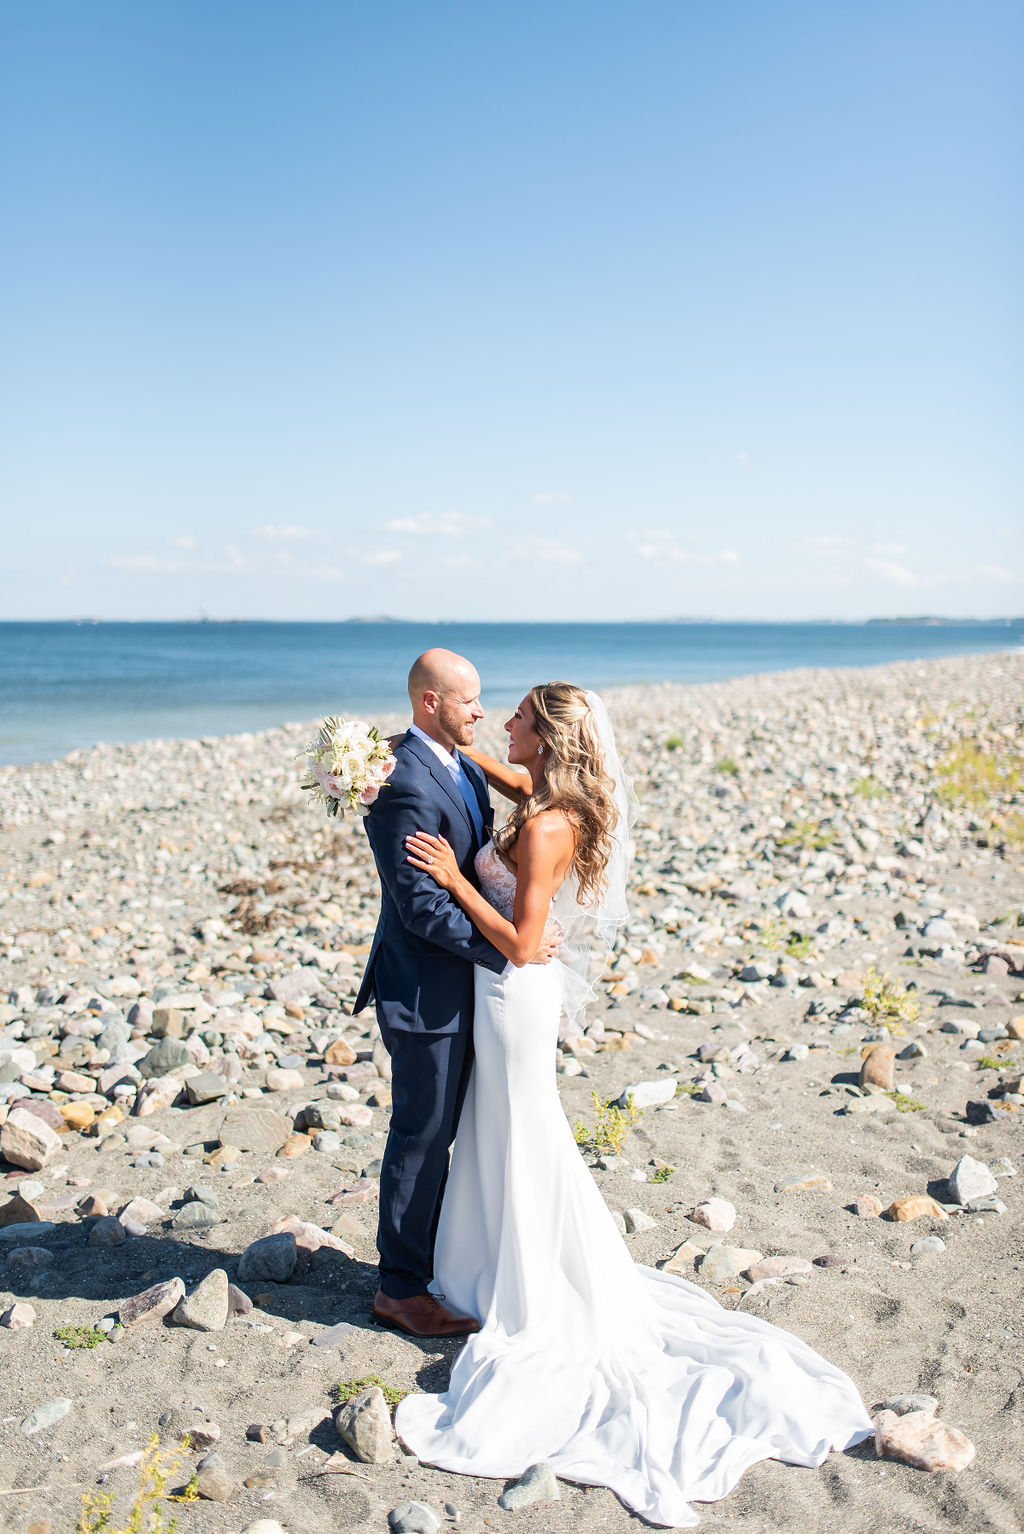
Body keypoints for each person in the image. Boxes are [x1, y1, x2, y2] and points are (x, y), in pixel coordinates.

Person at [396, 681, 874, 1530]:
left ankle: (532, 1288)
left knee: (526, 1135)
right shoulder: (545, 796)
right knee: (504, 1134)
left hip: (512, 995)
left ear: (544, 738)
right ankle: (495, 1268)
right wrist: (414, 743)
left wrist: (450, 877)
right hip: (507, 994)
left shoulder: (547, 825)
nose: (500, 720)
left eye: (514, 718)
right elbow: (485, 767)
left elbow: (523, 941)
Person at [353, 649, 558, 1338]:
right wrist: (507, 952)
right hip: (425, 990)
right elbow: (421, 910)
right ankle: (400, 1289)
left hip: (470, 985)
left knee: (461, 1130)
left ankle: (446, 1261)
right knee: (422, 1134)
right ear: (429, 704)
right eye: (468, 700)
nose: (481, 711)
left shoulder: (458, 763)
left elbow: (530, 799)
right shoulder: (404, 780)